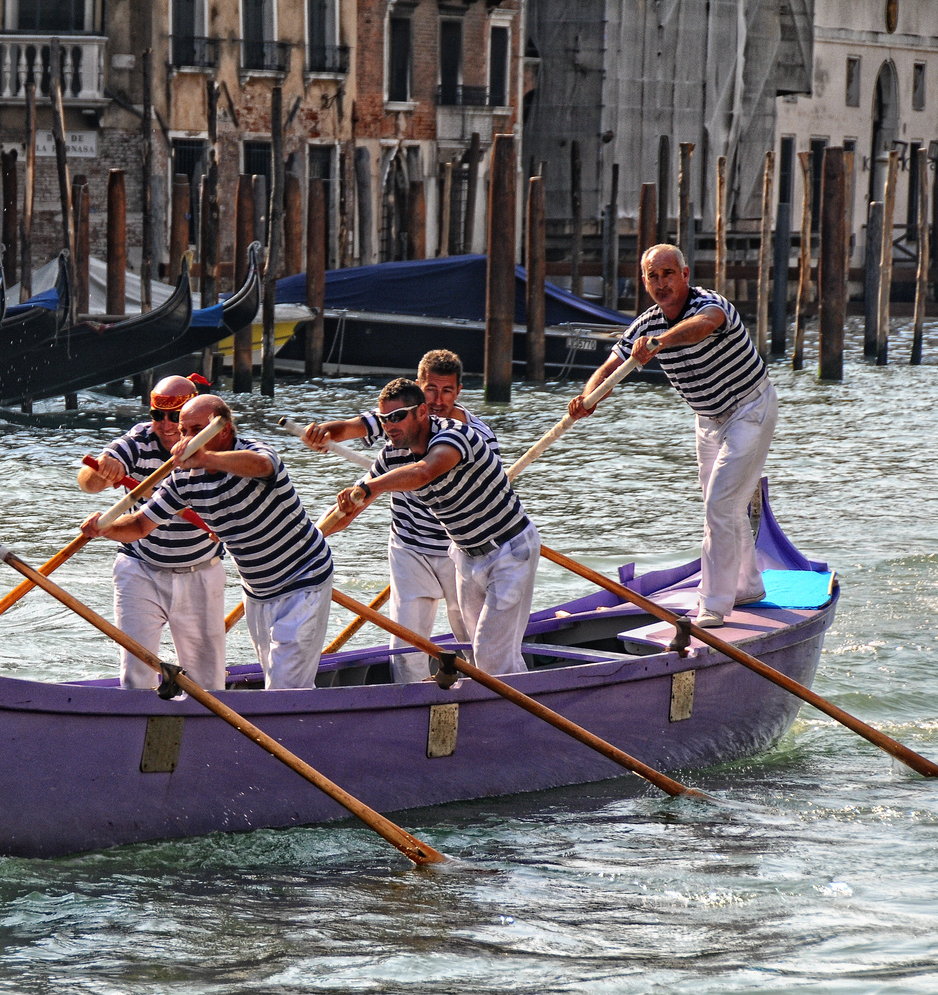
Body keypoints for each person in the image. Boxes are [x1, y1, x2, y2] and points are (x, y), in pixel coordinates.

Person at [567, 243, 776, 629]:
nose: (661, 283)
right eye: (653, 276)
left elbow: (703, 327)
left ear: (684, 275)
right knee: (720, 505)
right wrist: (588, 398)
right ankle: (746, 584)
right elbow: (612, 364)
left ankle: (713, 605)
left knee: (720, 504)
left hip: (751, 408)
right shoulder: (645, 325)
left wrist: (660, 344)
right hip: (708, 418)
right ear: (645, 282)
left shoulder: (710, 304)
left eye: (668, 274)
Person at [80, 395, 335, 691]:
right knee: (276, 680)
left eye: (195, 430)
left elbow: (262, 466)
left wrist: (205, 458)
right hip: (258, 591)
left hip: (304, 579)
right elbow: (140, 524)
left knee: (285, 687)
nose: (185, 439)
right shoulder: (182, 479)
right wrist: (104, 527)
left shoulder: (254, 452)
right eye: (184, 431)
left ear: (222, 429)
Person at [301, 350, 498, 682]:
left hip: (460, 550)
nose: (437, 400)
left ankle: (487, 696)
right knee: (407, 645)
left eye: (446, 391)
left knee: (473, 640)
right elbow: (349, 428)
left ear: (458, 392)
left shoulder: (475, 436)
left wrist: (375, 485)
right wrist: (322, 434)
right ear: (419, 391)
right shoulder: (398, 418)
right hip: (409, 546)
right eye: (431, 390)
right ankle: (410, 706)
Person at [325, 379, 538, 676]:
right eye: (384, 419)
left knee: (490, 655)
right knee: (478, 654)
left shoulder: (456, 435)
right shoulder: (392, 455)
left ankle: (517, 716)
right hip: (465, 556)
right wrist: (309, 540)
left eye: (398, 417)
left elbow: (424, 472)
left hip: (509, 551)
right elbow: (348, 512)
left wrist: (368, 486)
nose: (389, 426)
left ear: (422, 412)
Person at [77, 375, 227, 690]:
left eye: (176, 417)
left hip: (200, 569)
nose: (167, 425)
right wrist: (103, 472)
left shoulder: (218, 448)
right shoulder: (138, 441)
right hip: (140, 567)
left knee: (208, 682)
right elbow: (87, 483)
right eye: (158, 415)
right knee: (136, 674)